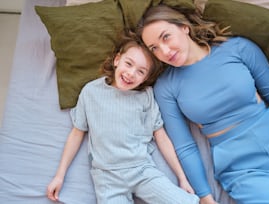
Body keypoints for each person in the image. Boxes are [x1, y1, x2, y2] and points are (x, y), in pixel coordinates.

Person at [136, 4, 269, 204]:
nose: (164, 51)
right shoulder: (165, 87)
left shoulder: (238, 48)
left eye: (166, 37)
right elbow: (185, 146)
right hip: (242, 170)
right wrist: (204, 196)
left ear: (184, 27)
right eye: (154, 48)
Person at [46, 31, 199, 204]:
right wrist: (59, 176)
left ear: (145, 79)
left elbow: (161, 136)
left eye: (141, 72)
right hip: (107, 177)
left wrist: (182, 178)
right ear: (117, 60)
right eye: (128, 64)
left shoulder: (146, 95)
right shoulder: (91, 92)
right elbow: (76, 133)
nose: (131, 73)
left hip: (141, 170)